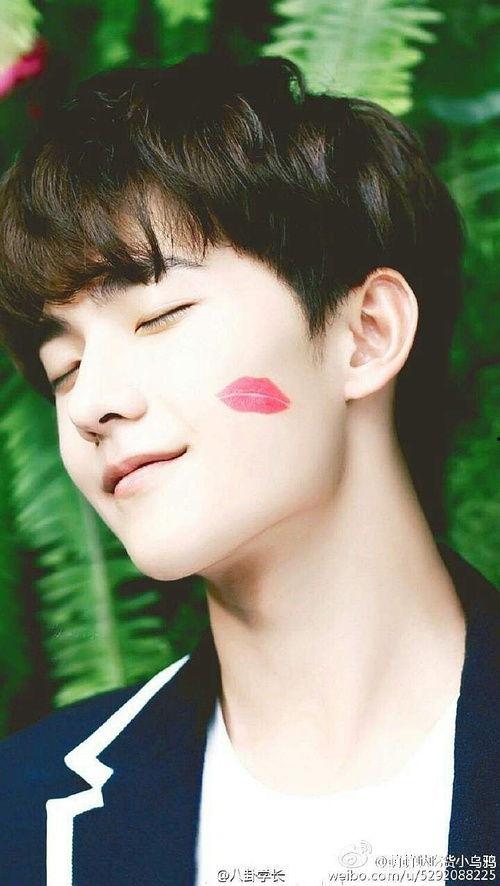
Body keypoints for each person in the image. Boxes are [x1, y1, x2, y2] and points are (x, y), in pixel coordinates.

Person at [0, 54, 497, 886]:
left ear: (366, 334)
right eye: (64, 368)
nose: (92, 404)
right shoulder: (21, 822)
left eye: (160, 316)